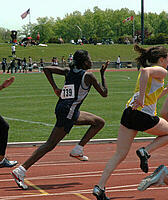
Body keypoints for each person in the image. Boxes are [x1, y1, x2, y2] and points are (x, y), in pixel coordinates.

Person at [11, 50, 110, 190]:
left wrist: (55, 88)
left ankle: (78, 149)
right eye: (90, 59)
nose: (91, 61)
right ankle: (20, 170)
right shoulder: (89, 76)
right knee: (50, 144)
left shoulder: (68, 71)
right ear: (84, 62)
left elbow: (46, 69)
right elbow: (104, 93)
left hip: (65, 109)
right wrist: (102, 74)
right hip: (68, 112)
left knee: (99, 122)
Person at [93, 44, 168, 200]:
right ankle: (145, 151)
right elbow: (145, 71)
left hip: (129, 112)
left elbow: (153, 96)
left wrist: (164, 91)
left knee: (119, 154)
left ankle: (99, 187)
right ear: (161, 59)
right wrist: (141, 97)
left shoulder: (154, 76)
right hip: (143, 115)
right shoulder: (161, 71)